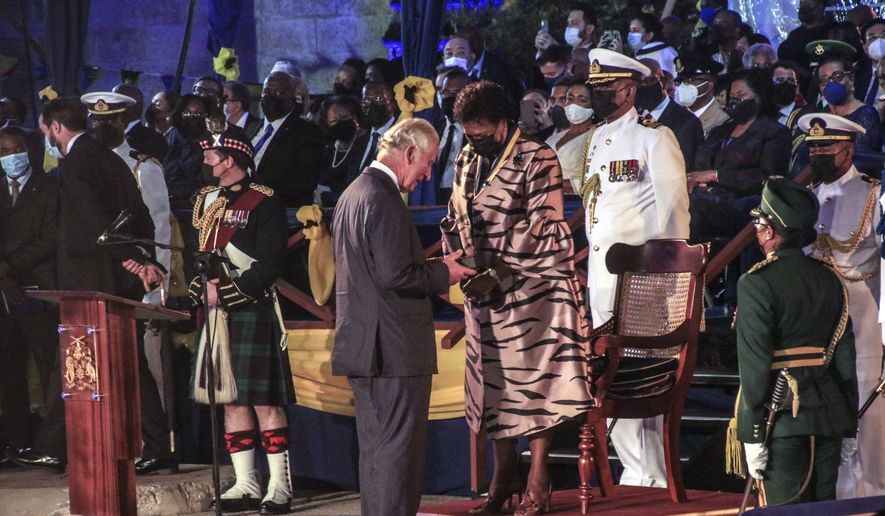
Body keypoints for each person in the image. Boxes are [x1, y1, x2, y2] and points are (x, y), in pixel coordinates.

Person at [438, 80, 590, 515]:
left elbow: (545, 226)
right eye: (468, 133)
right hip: (485, 291)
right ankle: (504, 475)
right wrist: (457, 255)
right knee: (491, 383)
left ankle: (539, 481)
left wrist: (496, 267)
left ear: (505, 123)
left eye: (482, 133)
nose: (474, 141)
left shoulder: (538, 157)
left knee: (536, 387)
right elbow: (456, 214)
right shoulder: (467, 158)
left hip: (535, 290)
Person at [332, 118, 473, 516]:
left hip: (365, 346)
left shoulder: (353, 193)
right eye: (427, 162)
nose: (428, 173)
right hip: (392, 349)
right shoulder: (384, 198)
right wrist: (447, 273)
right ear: (409, 152)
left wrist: (436, 266)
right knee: (397, 456)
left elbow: (378, 269)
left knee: (378, 455)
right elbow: (397, 275)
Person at [9, 97, 159, 471]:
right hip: (102, 279)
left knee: (95, 364)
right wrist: (138, 258)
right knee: (106, 364)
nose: (46, 138)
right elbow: (136, 213)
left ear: (56, 127)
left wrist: (131, 259)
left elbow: (97, 223)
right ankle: (151, 444)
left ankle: (60, 446)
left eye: (45, 131)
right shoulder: (105, 156)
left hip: (93, 281)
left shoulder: (78, 162)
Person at [581, 49, 690, 489]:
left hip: (645, 280)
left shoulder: (654, 137)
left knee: (646, 374)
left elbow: (675, 216)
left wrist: (672, 281)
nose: (598, 96)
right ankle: (634, 471)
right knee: (611, 373)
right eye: (595, 89)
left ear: (628, 89)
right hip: (602, 279)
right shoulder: (596, 139)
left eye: (605, 89)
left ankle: (654, 475)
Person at [189, 127, 294, 514]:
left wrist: (227, 294)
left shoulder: (264, 202)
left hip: (251, 307)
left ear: (229, 161)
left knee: (265, 401)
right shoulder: (204, 199)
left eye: (210, 157)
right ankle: (246, 484)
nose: (204, 162)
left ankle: (279, 486)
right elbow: (194, 253)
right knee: (231, 401)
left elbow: (270, 263)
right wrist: (201, 289)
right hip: (217, 312)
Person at [735, 178, 858, 506]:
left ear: (771, 232)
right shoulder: (829, 277)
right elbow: (845, 358)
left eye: (759, 222)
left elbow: (755, 367)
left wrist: (753, 434)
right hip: (830, 413)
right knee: (824, 509)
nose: (757, 230)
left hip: (782, 418)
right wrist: (849, 427)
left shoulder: (755, 283)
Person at [80, 91, 176, 474]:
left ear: (123, 123)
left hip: (133, 282)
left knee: (136, 367)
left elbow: (159, 229)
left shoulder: (142, 168)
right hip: (96, 281)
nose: (102, 126)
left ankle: (154, 443)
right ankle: (115, 442)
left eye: (110, 120)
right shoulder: (85, 164)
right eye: (96, 120)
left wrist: (155, 292)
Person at [799, 114, 885, 499]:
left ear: (848, 149)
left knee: (866, 399)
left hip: (861, 308)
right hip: (816, 315)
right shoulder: (805, 198)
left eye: (826, 147)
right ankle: (830, 493)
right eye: (813, 147)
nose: (818, 153)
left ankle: (870, 492)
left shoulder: (872, 193)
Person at [0, 126, 59, 464]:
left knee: (48, 364)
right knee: (9, 370)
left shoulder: (49, 186)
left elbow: (48, 236)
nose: (11, 157)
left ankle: (50, 445)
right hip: (4, 292)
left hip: (38, 288)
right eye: (4, 151)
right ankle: (17, 443)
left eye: (16, 148)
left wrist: (9, 268)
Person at [689, 68, 791, 240]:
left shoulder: (774, 132)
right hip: (705, 196)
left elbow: (767, 178)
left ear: (759, 97)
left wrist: (716, 176)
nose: (735, 101)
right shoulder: (721, 130)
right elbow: (701, 161)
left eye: (742, 95)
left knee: (690, 206)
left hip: (741, 202)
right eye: (733, 96)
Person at [252, 71, 325, 209]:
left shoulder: (307, 133)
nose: (271, 96)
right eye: (267, 92)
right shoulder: (251, 127)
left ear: (292, 99)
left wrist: (255, 191)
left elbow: (303, 182)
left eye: (279, 93)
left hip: (277, 208)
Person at [637, 58, 705, 172]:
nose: (642, 87)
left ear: (662, 82)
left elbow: (683, 167)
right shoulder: (634, 117)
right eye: (638, 83)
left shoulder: (687, 122)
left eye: (648, 81)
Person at [163, 94, 212, 210]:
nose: (193, 117)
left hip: (193, 205)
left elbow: (207, 180)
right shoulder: (173, 135)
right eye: (188, 113)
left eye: (199, 113)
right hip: (164, 201)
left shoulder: (210, 141)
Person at [316, 95, 367, 205]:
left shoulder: (367, 144)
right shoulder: (328, 150)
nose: (340, 123)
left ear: (355, 117)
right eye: (334, 121)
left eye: (344, 118)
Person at [457, 25, 525, 104]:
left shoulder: (499, 69)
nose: (474, 45)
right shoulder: (458, 66)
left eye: (474, 41)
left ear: (480, 42)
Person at [545, 78, 594, 187]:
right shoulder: (552, 138)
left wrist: (554, 183)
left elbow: (596, 179)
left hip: (576, 201)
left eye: (582, 100)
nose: (574, 105)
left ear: (593, 104)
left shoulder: (597, 136)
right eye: (570, 99)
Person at [534, 3, 599, 80]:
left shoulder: (597, 54)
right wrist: (543, 51)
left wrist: (555, 50)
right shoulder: (566, 50)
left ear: (589, 29)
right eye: (568, 23)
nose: (569, 27)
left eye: (574, 23)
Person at [435, 68, 470, 204]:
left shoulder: (478, 132)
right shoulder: (434, 129)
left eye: (455, 92)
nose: (448, 97)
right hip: (434, 200)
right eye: (445, 92)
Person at [113, 84, 170, 163]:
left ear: (134, 106)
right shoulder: (109, 135)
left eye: (116, 101)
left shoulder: (154, 140)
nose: (110, 106)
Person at [675, 58, 730, 137]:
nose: (682, 86)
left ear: (709, 85)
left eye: (689, 80)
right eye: (680, 81)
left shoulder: (722, 118)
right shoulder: (677, 115)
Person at [777, 0, 836, 74]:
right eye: (802, 1)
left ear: (820, 6)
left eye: (808, 2)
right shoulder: (794, 35)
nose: (803, 3)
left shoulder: (835, 32)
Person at [354, 81, 397, 173]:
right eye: (366, 101)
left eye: (378, 99)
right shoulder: (359, 140)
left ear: (392, 105)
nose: (370, 105)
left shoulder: (400, 138)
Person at [629, 13, 679, 78]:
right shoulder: (669, 50)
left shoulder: (659, 52)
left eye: (635, 30)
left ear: (649, 35)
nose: (631, 34)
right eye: (630, 31)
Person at [856, 18, 885, 105]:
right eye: (872, 37)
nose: (879, 41)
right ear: (865, 48)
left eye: (884, 35)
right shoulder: (857, 75)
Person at [709, 10, 746, 75]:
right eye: (715, 24)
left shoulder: (747, 58)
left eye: (722, 24)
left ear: (737, 30)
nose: (716, 29)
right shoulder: (714, 61)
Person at [773, 62, 806, 127]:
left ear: (797, 88)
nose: (785, 84)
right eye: (780, 80)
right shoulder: (762, 115)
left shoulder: (805, 117)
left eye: (791, 80)